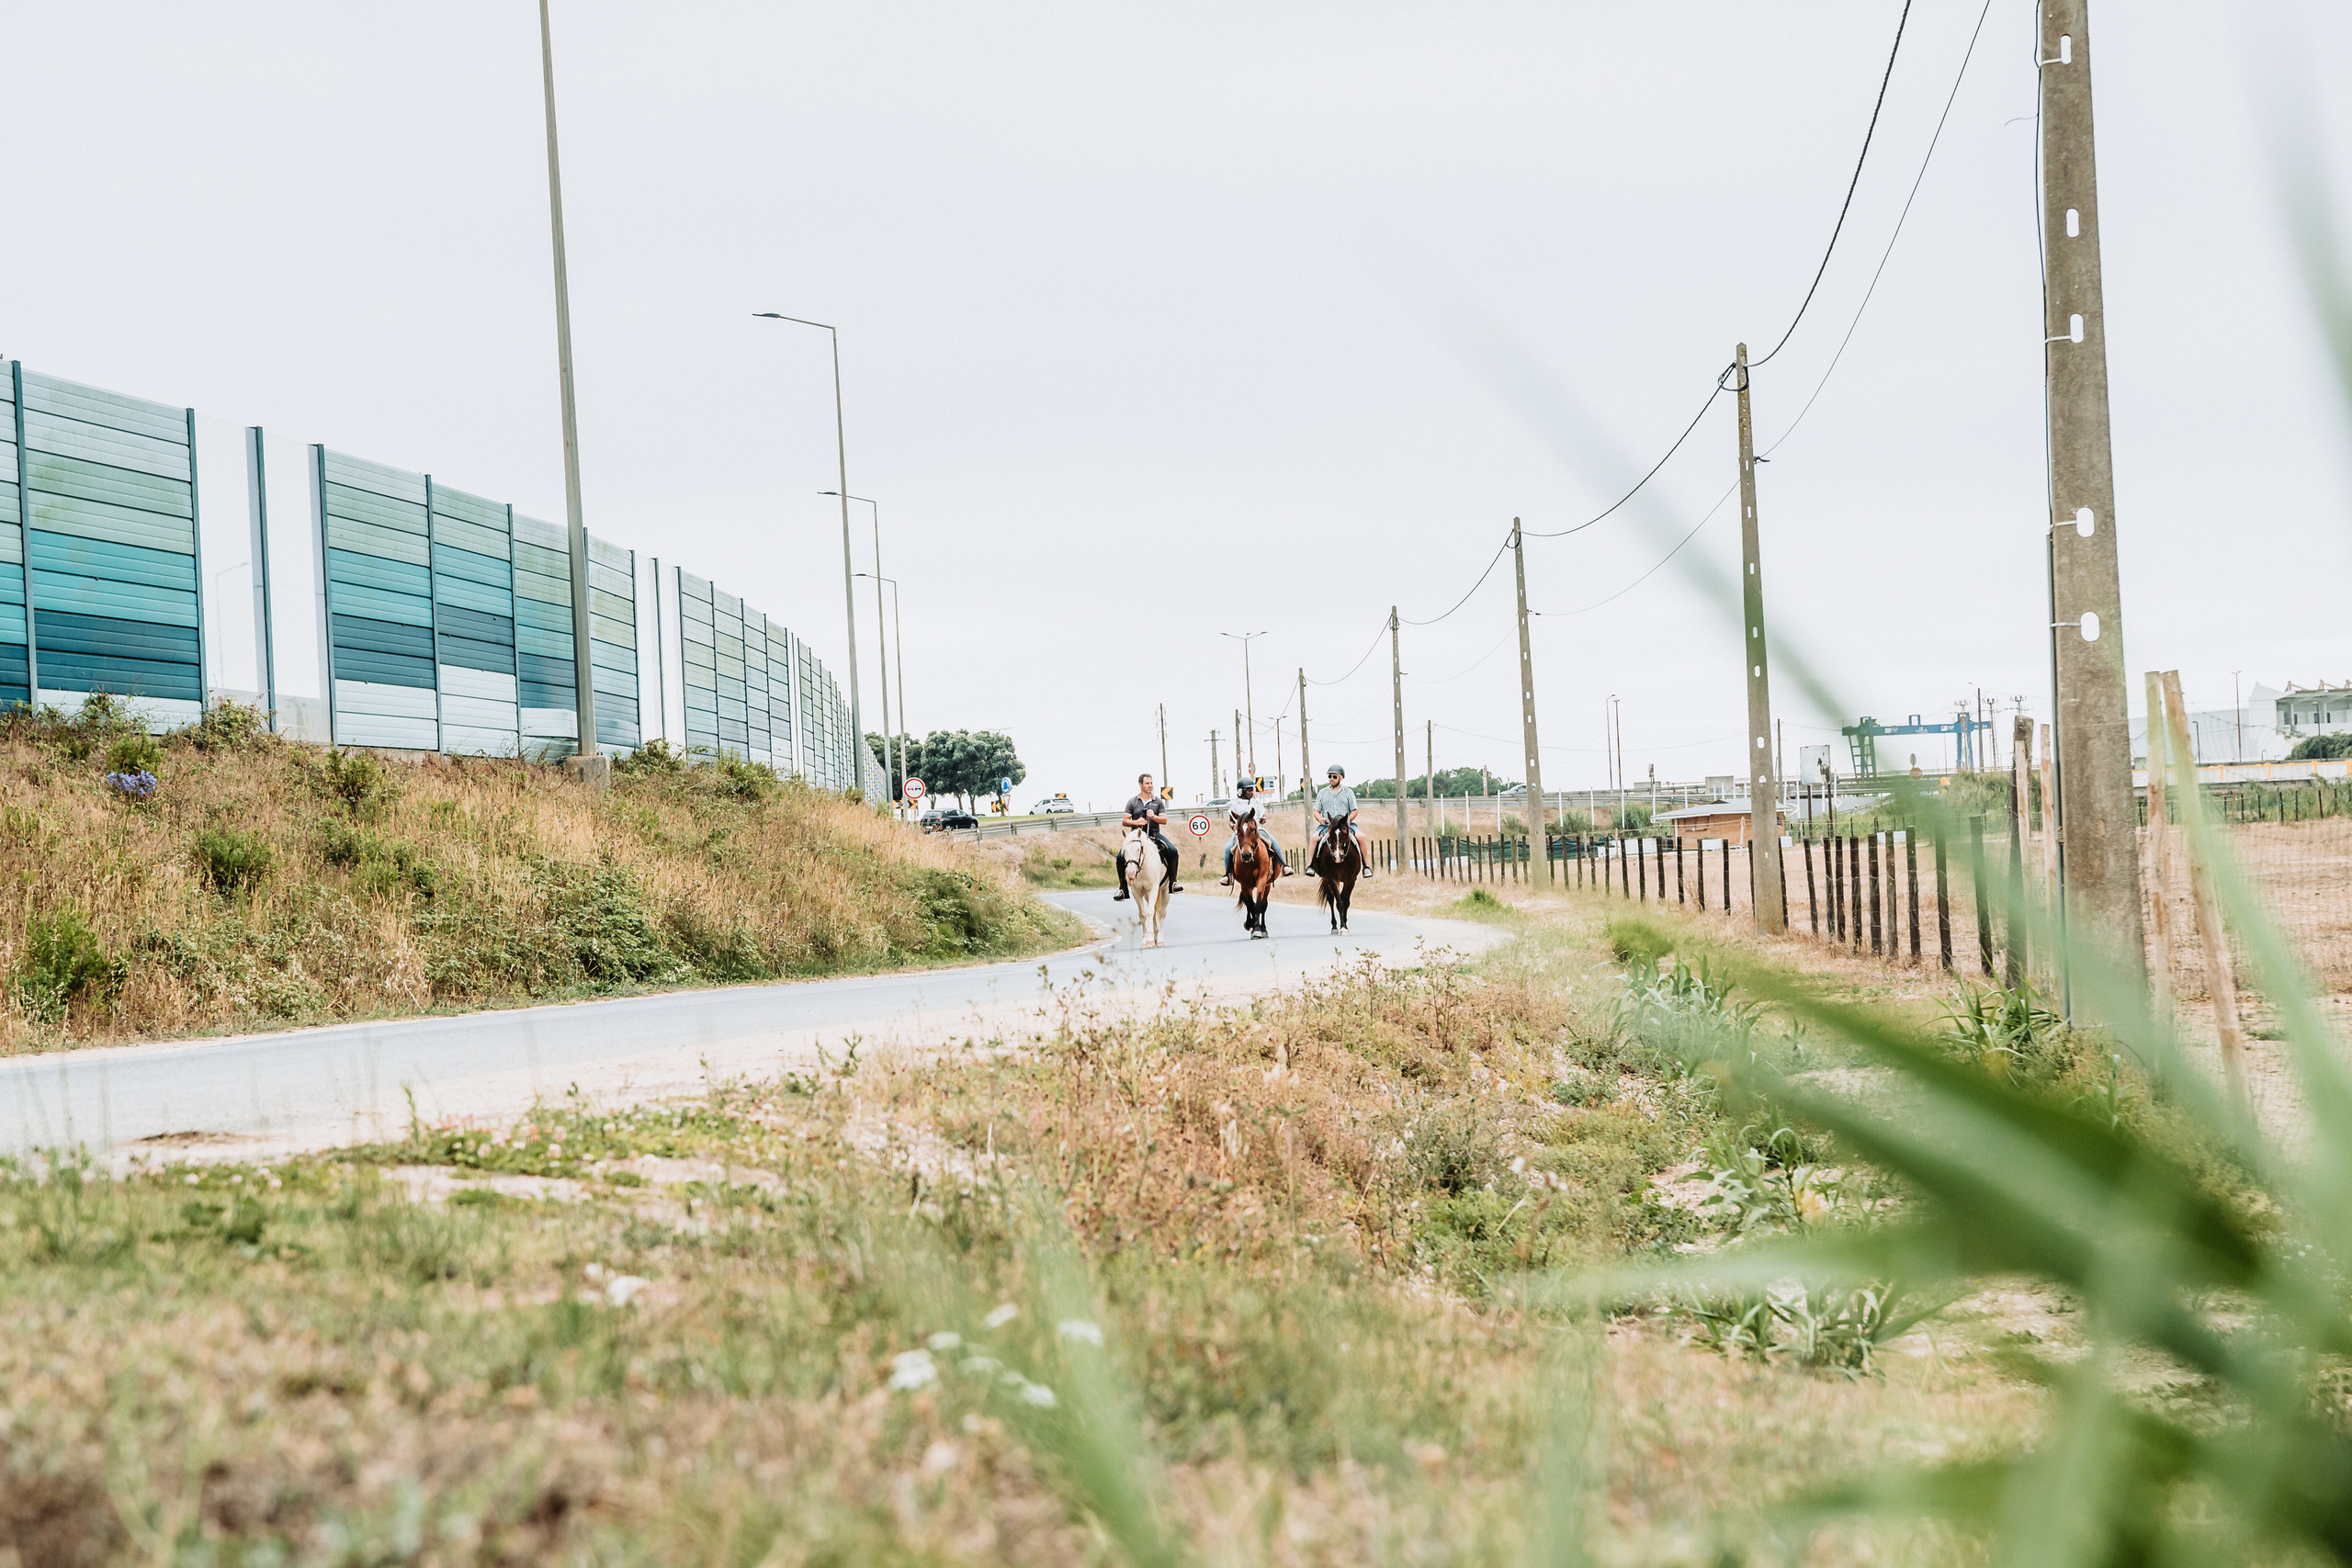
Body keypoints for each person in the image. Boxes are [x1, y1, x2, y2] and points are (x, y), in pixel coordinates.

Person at [1113, 772, 1183, 900]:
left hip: (1154, 834)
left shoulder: (1158, 802)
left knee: (1173, 851)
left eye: (1151, 783)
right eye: (1147, 783)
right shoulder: (1132, 802)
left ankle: (1173, 882)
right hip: (1136, 837)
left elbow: (1164, 820)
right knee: (1119, 857)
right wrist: (1137, 822)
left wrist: (1154, 817)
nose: (1150, 786)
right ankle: (1122, 888)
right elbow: (1125, 821)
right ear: (1141, 785)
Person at [1217, 779, 1288, 885]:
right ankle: (1229, 875)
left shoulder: (1257, 803)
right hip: (1241, 833)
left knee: (1273, 841)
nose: (1252, 792)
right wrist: (1234, 827)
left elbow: (1262, 816)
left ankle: (1283, 866)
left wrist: (1263, 819)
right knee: (1228, 848)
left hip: (1257, 830)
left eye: (1252, 790)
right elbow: (1231, 821)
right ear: (1241, 791)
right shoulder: (1235, 805)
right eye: (1249, 790)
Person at [1314, 763, 1369, 877]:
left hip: (1345, 825)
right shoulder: (1322, 793)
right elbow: (1316, 811)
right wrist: (1320, 819)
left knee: (1361, 837)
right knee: (1314, 838)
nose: (1331, 779)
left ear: (1341, 777)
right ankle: (1311, 866)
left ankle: (1366, 866)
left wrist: (1349, 819)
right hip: (1328, 825)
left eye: (1334, 777)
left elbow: (1354, 810)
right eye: (1330, 776)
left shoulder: (1348, 792)